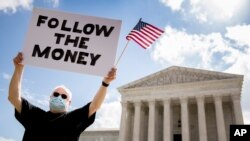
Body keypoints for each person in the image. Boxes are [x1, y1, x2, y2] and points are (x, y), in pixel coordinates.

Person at [8, 52, 117, 141]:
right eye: (56, 94)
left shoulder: (73, 119)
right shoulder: (35, 115)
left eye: (64, 96)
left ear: (69, 102)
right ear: (50, 97)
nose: (59, 97)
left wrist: (105, 83)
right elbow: (13, 97)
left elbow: (95, 106)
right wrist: (19, 69)